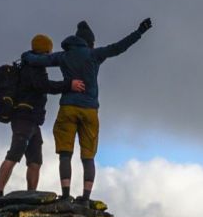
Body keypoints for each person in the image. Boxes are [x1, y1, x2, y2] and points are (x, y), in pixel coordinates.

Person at [22, 18, 153, 203]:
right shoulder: (94, 55)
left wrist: (26, 55)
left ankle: (66, 195)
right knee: (88, 156)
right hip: (90, 110)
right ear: (90, 42)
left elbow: (38, 60)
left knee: (65, 153)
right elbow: (119, 47)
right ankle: (85, 196)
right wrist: (139, 32)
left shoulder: (63, 56)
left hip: (68, 107)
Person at [0, 34, 86, 199]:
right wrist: (68, 85)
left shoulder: (29, 65)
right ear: (45, 51)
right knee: (14, 154)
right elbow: (44, 86)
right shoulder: (32, 67)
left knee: (35, 161)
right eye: (49, 52)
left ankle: (31, 195)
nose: (50, 55)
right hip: (24, 117)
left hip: (32, 120)